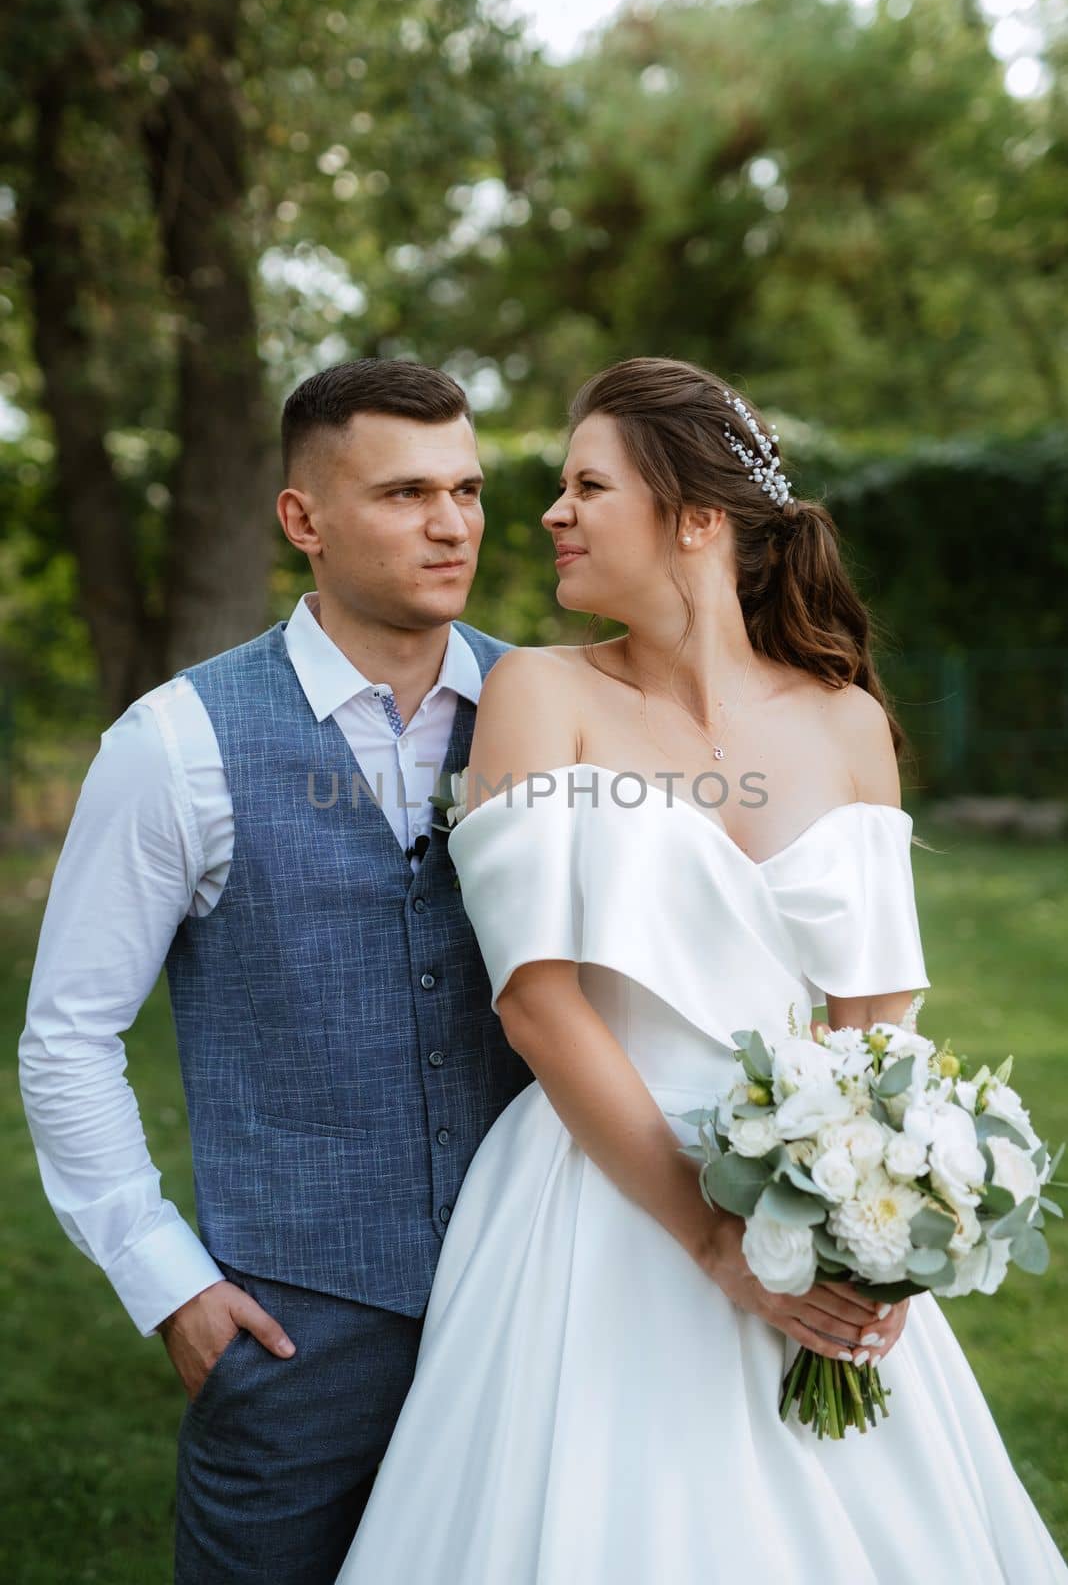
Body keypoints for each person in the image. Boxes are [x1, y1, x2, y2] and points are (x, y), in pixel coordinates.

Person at [336, 358, 1068, 1583]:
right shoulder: (541, 693)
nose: (550, 513)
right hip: (598, 1200)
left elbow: (877, 1019)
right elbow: (536, 998)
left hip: (811, 1190)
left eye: (585, 485)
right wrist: (717, 1240)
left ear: (696, 516)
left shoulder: (846, 723)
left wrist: (862, 1236)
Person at [17, 358, 533, 1584]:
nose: (452, 523)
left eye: (466, 488)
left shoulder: (545, 706)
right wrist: (168, 1281)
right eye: (407, 492)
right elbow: (68, 1035)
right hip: (295, 1330)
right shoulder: (176, 741)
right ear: (302, 519)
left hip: (529, 1295)